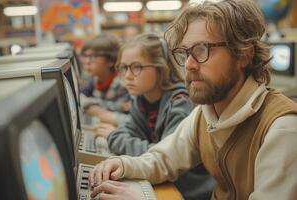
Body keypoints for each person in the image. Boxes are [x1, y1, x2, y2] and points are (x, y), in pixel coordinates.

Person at [89, 0, 297, 199]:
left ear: (243, 54)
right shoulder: (205, 114)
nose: (188, 65)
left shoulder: (282, 129)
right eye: (185, 52)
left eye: (201, 50)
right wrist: (122, 164)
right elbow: (162, 159)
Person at [93, 32, 215, 200]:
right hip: (163, 184)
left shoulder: (180, 103)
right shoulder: (140, 101)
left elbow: (161, 155)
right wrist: (122, 137)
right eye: (123, 68)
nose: (127, 76)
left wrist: (114, 137)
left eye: (136, 67)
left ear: (161, 68)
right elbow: (130, 133)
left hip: (187, 193)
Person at [80, 33, 131, 125]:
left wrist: (93, 107)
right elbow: (79, 98)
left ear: (111, 60)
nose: (87, 62)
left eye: (93, 56)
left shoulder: (125, 84)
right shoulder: (95, 80)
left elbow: (124, 112)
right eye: (85, 56)